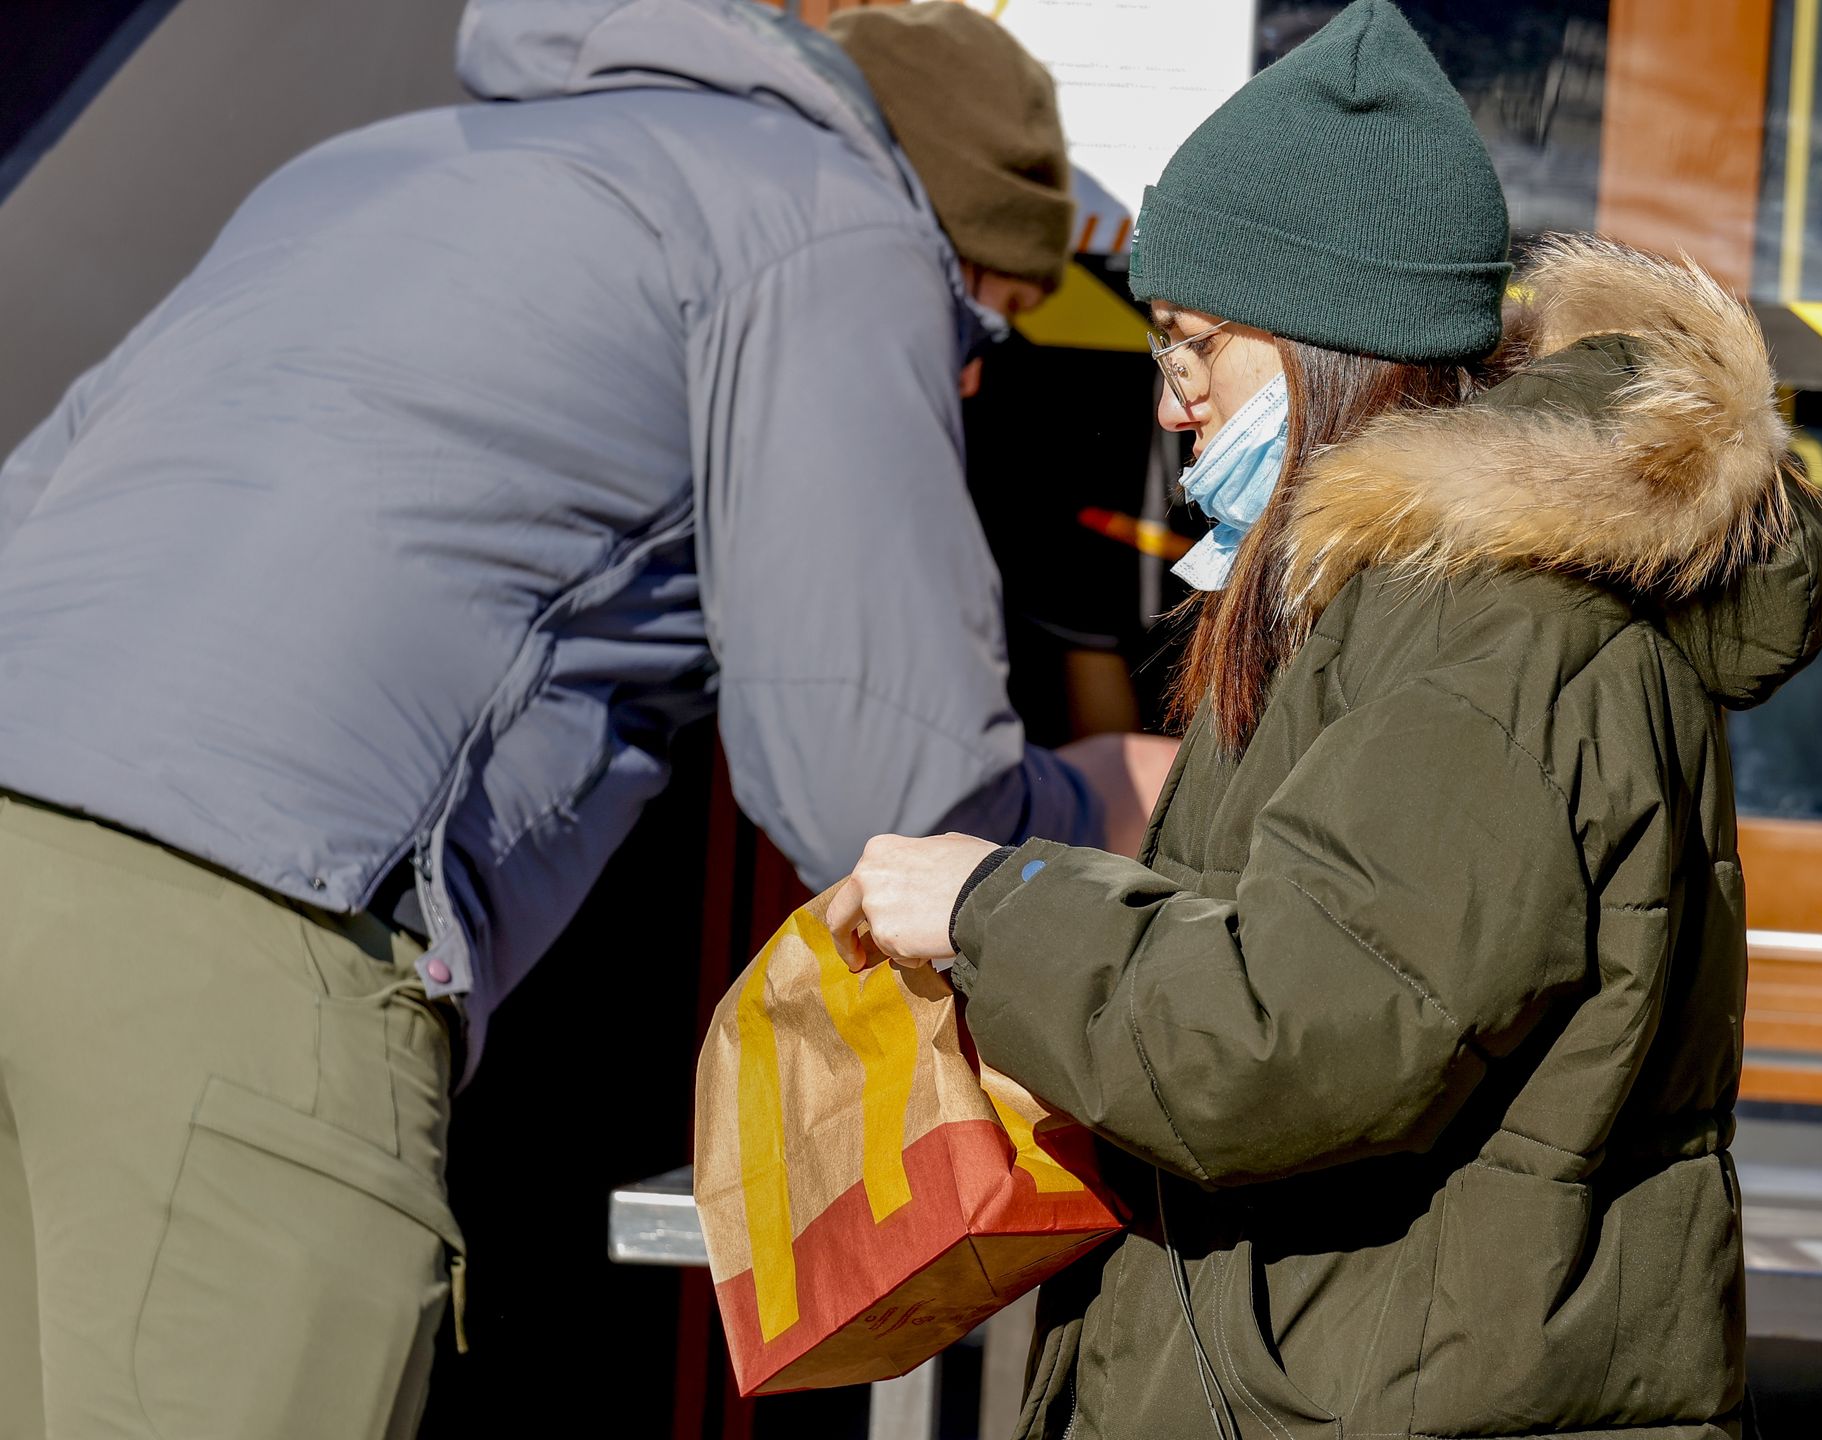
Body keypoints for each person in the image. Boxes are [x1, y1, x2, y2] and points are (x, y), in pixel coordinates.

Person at [0, 2, 1176, 1435]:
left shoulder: (379, 160)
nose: (973, 379)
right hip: (255, 941)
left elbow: (36, 500)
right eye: (981, 323)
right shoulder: (836, 224)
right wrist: (1104, 802)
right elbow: (882, 796)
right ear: (946, 240)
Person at [830, 3, 1822, 1436]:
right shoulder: (1399, 602)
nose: (1174, 406)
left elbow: (1288, 1037)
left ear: (1327, 343)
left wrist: (1001, 904)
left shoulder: (1489, 627)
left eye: (1195, 350)